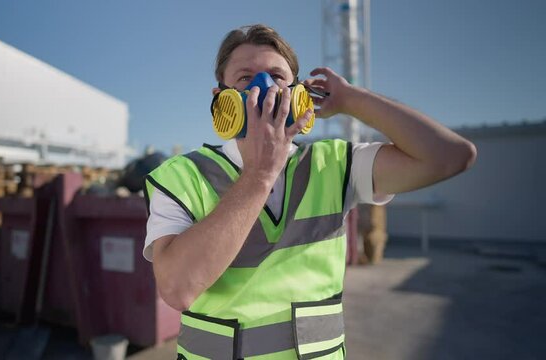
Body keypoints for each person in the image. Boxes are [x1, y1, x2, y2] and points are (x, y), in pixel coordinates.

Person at [143, 24, 476, 360]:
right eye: (246, 78)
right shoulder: (182, 176)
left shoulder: (333, 164)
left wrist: (351, 100)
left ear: (299, 94)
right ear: (220, 98)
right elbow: (176, 288)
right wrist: (260, 174)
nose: (266, 88)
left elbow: (451, 156)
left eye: (277, 75)